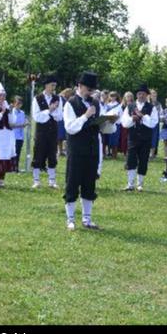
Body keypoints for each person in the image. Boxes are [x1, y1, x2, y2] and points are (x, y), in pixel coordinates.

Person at [63, 72, 105, 231]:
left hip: (92, 148)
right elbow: (70, 128)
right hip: (77, 149)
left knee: (89, 183)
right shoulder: (70, 104)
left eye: (92, 89)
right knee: (73, 182)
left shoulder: (95, 102)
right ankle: (70, 219)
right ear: (80, 86)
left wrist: (107, 122)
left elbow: (99, 126)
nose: (91, 92)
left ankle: (87, 219)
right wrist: (86, 116)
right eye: (88, 88)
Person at [121, 84, 158, 192]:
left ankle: (140, 184)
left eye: (143, 94)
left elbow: (153, 123)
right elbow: (124, 123)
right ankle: (130, 184)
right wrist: (132, 119)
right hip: (133, 137)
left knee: (143, 160)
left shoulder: (152, 108)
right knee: (131, 159)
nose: (140, 96)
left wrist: (142, 116)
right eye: (139, 94)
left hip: (146, 138)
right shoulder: (130, 106)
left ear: (147, 95)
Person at [31, 75, 63, 189]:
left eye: (55, 85)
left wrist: (51, 112)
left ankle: (52, 181)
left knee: (52, 154)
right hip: (41, 131)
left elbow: (60, 116)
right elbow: (37, 117)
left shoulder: (58, 98)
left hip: (53, 131)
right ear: (46, 85)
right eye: (52, 85)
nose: (53, 87)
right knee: (38, 154)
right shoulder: (37, 98)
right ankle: (36, 180)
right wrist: (49, 111)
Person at [104, 91, 122, 160]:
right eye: (111, 96)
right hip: (108, 124)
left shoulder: (119, 105)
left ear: (116, 97)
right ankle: (109, 153)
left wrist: (115, 120)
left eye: (114, 96)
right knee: (108, 139)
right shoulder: (107, 105)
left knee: (115, 140)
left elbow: (120, 115)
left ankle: (114, 155)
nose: (112, 97)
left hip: (115, 124)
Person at [12, 96, 27, 170]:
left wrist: (26, 123)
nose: (19, 105)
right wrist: (21, 125)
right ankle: (12, 167)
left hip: (20, 136)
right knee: (13, 153)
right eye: (17, 103)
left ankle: (16, 167)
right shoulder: (11, 112)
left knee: (18, 153)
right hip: (13, 136)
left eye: (20, 103)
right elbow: (10, 125)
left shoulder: (22, 112)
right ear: (14, 103)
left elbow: (24, 123)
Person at [118, 92, 134, 157]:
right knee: (124, 138)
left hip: (131, 123)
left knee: (130, 138)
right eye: (127, 96)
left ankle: (129, 151)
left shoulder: (133, 104)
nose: (128, 98)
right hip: (123, 123)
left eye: (129, 96)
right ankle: (124, 152)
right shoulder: (122, 105)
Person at [149, 89, 162, 158]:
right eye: (153, 93)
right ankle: (147, 152)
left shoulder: (158, 104)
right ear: (150, 95)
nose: (154, 94)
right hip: (148, 123)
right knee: (148, 137)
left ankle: (153, 154)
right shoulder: (147, 103)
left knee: (154, 138)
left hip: (156, 123)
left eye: (155, 93)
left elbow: (161, 113)